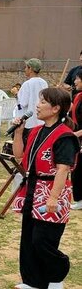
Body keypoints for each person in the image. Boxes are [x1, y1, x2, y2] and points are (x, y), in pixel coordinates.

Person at [12, 87, 79, 289]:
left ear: (56, 108)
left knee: (44, 239)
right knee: (29, 237)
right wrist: (19, 132)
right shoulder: (37, 130)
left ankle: (57, 274)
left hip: (51, 191)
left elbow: (63, 168)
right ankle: (34, 279)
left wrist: (53, 197)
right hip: (32, 188)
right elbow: (19, 155)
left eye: (43, 102)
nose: (37, 105)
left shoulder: (64, 136)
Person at [16, 59, 48, 136]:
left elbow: (23, 103)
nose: (25, 69)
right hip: (41, 120)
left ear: (30, 69)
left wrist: (16, 94)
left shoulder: (27, 84)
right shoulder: (44, 83)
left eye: (26, 67)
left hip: (29, 122)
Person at [69, 71, 82, 210]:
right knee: (76, 168)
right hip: (77, 137)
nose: (75, 81)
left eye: (77, 79)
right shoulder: (78, 96)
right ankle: (79, 198)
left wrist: (77, 134)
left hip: (79, 136)